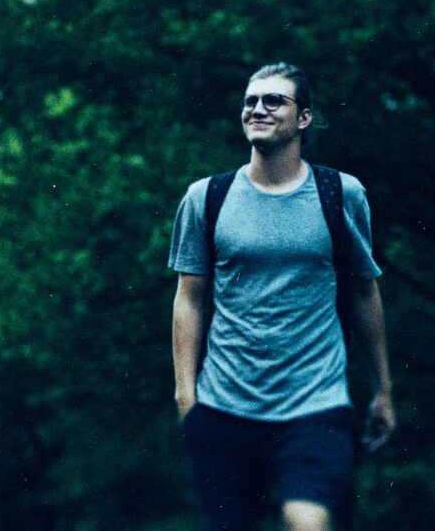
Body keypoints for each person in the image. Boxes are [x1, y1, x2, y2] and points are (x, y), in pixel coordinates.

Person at [168, 63, 395, 531]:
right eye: (251, 101)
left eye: (274, 100)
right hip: (225, 406)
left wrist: (383, 389)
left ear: (304, 118)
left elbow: (362, 290)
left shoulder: (340, 194)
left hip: (315, 403)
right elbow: (190, 299)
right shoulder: (206, 198)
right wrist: (186, 396)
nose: (259, 109)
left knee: (307, 523)